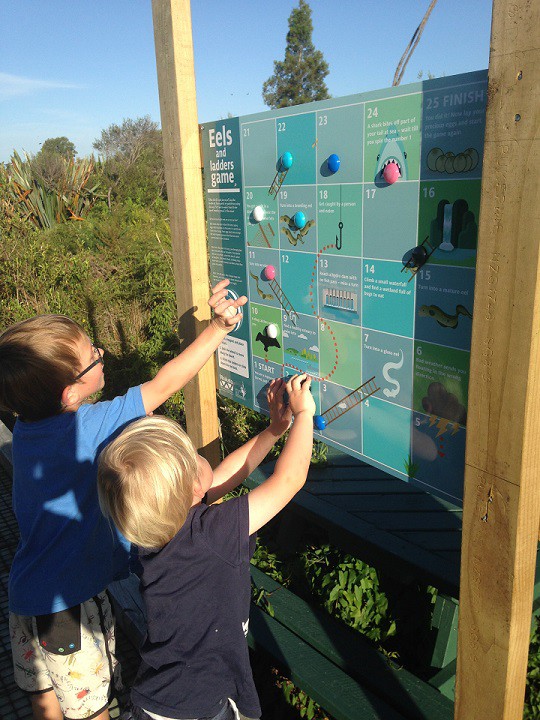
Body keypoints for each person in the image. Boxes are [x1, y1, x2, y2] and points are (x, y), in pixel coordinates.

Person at [0, 278, 246, 720]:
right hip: (67, 607)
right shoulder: (86, 428)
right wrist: (217, 329)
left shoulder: (25, 430)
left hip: (25, 597)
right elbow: (163, 384)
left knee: (45, 698)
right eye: (92, 355)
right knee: (90, 708)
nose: (101, 354)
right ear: (70, 393)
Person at [97, 373, 315, 720]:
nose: (201, 456)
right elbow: (289, 480)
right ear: (192, 488)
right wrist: (304, 416)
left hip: (160, 698)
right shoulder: (210, 534)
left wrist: (275, 429)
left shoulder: (157, 529)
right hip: (197, 707)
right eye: (191, 451)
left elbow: (227, 475)